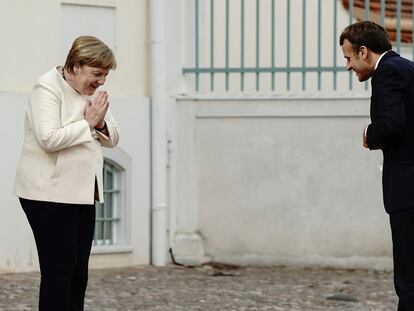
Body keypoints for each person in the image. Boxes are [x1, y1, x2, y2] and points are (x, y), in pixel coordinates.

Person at [14, 36, 119, 310]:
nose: (102, 81)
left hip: (83, 193)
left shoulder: (89, 92)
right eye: (97, 74)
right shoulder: (46, 88)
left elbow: (113, 137)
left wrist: (100, 122)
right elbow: (48, 138)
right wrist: (89, 123)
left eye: (105, 75)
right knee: (59, 273)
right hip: (48, 195)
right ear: (75, 66)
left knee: (77, 275)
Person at [340, 21, 414, 310]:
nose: (348, 66)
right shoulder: (407, 68)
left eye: (348, 57)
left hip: (407, 187)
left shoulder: (387, 73)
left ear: (363, 51)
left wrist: (369, 135)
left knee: (409, 278)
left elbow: (392, 125)